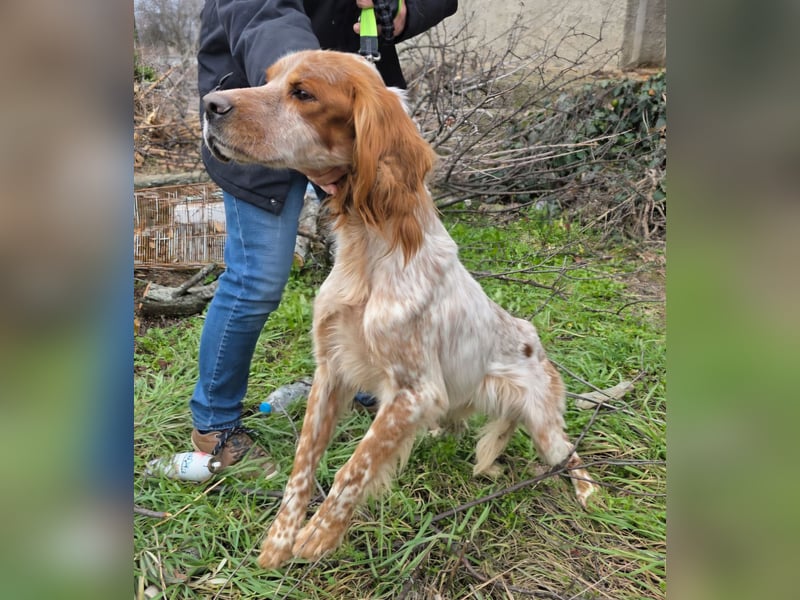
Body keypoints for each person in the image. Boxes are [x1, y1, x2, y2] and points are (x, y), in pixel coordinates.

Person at [190, 0, 459, 474]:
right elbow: (259, 15)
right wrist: (305, 82)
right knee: (257, 280)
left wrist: (405, 12)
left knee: (381, 271)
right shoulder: (270, 94)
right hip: (266, 110)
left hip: (353, 124)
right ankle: (215, 426)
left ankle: (362, 382)